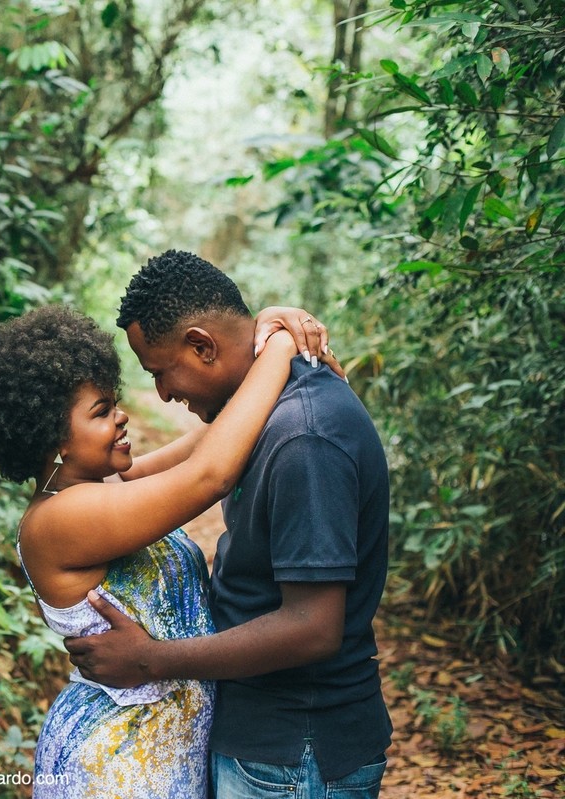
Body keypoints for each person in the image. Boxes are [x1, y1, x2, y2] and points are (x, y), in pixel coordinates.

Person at [0, 302, 335, 797]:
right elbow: (209, 475)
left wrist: (266, 324)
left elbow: (217, 436)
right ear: (54, 438)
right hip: (119, 757)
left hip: (162, 748)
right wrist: (283, 345)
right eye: (101, 412)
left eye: (114, 402)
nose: (122, 416)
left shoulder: (106, 487)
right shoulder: (59, 520)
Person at [64, 250, 391, 799]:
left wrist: (150, 659)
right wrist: (278, 336)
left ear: (202, 345)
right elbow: (139, 478)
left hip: (295, 751)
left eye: (159, 373)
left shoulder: (305, 437)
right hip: (263, 737)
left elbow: (313, 627)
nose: (163, 394)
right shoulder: (258, 414)